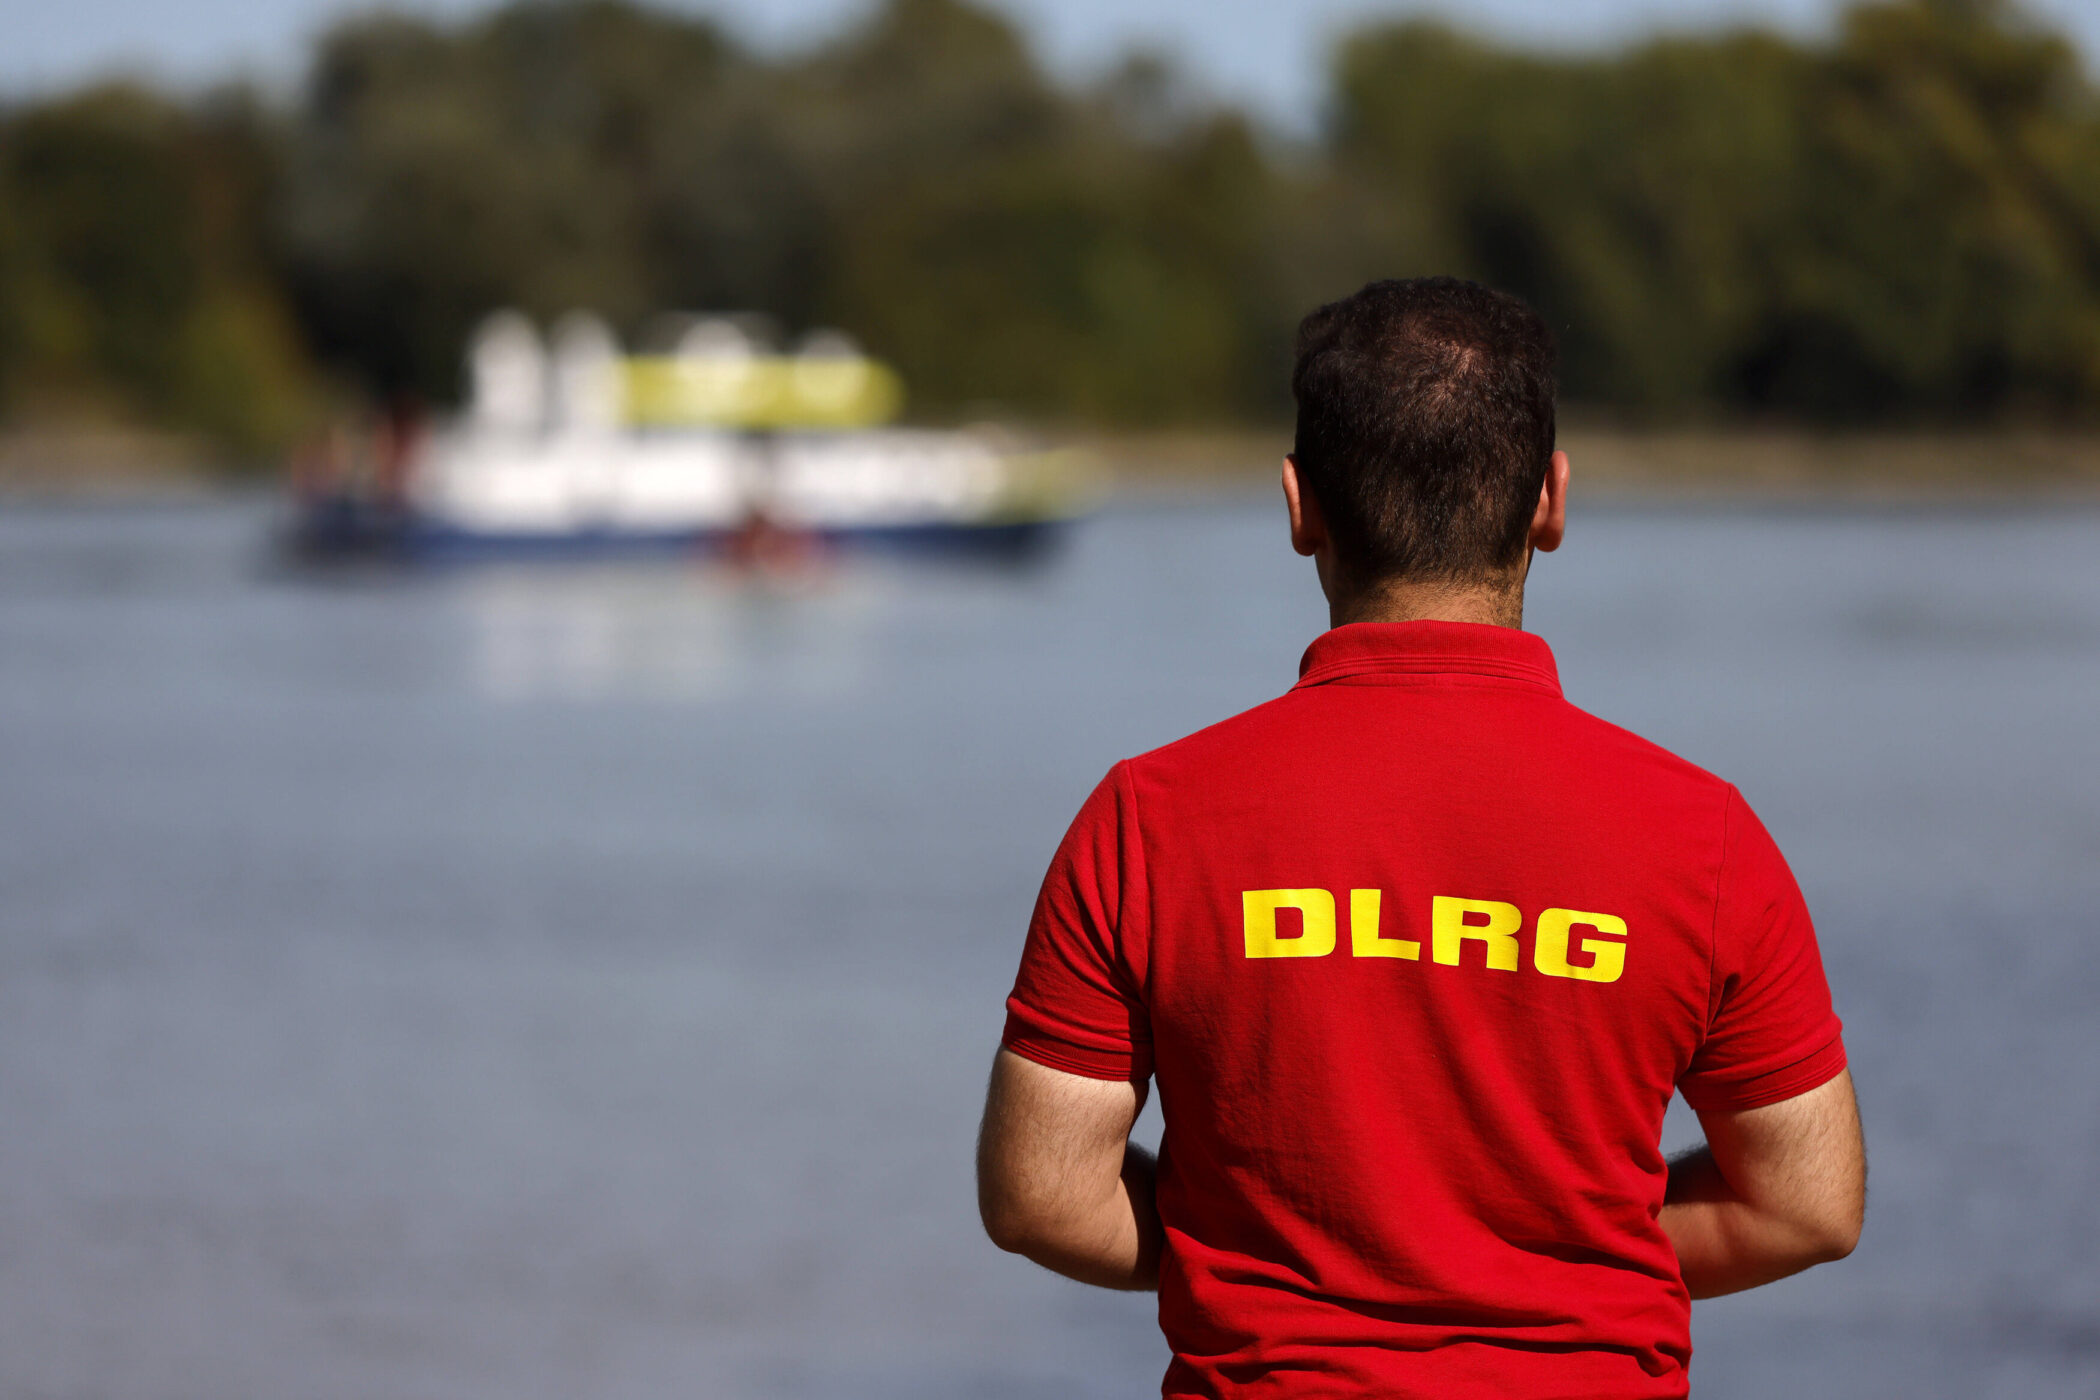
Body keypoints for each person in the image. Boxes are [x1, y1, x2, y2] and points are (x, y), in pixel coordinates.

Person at [976, 277, 1864, 1398]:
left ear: (1301, 507)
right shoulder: (1705, 833)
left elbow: (1042, 1193)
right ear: (1550, 500)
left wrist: (1270, 1264)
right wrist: (1546, 1267)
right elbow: (1806, 1203)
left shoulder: (1149, 816)